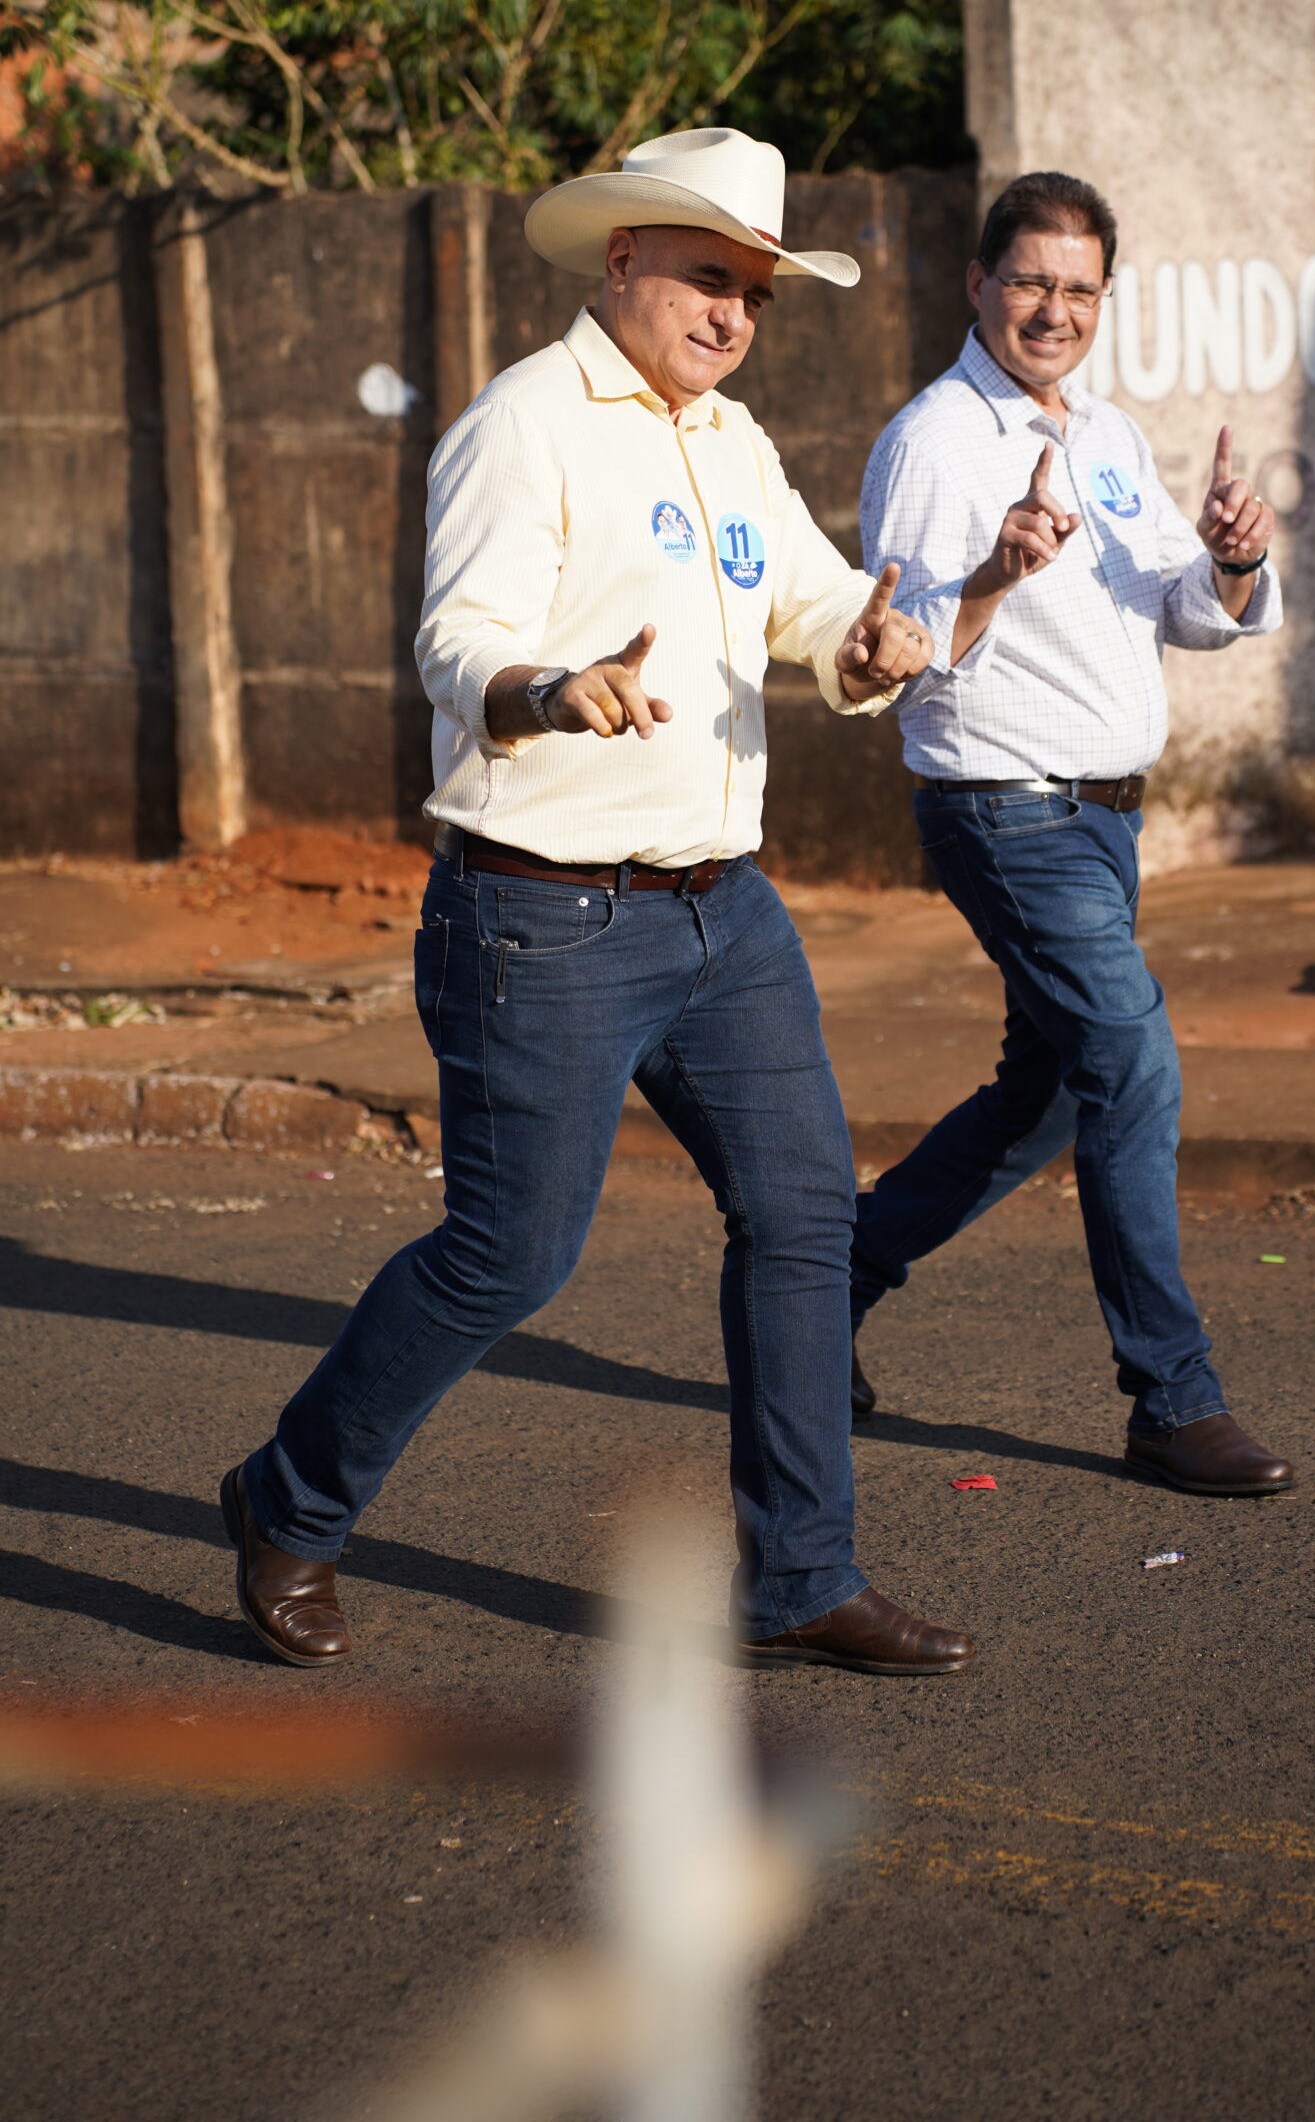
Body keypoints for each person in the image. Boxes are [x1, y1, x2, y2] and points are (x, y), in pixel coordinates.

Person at [222, 126, 977, 1676]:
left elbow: (810, 595)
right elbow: (455, 639)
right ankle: (289, 1500)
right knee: (510, 1257)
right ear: (623, 256)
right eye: (710, 278)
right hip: (542, 916)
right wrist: (551, 691)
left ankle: (800, 1579)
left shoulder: (733, 438)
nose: (732, 315)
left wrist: (867, 644)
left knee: (802, 1220)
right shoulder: (526, 425)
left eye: (755, 294)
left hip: (725, 912)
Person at [850, 170, 1295, 1497]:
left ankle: (817, 1288)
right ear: (978, 286)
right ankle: (1172, 1397)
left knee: (1045, 1099)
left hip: (1103, 823)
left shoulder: (1101, 432)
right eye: (1032, 281)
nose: (1055, 309)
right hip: (1005, 806)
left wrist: (1227, 557)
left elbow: (1183, 601)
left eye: (1080, 288)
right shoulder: (935, 441)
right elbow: (898, 658)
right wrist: (990, 569)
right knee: (1136, 1069)